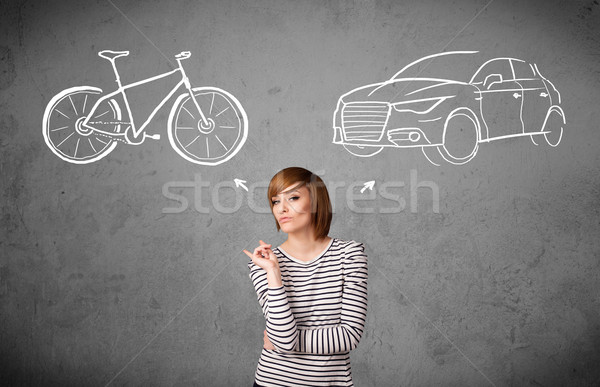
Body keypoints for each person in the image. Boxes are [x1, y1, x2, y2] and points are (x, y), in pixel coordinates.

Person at [242, 167, 369, 387]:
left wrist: (284, 342)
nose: (282, 208)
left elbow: (349, 336)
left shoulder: (350, 254)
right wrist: (273, 272)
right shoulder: (264, 264)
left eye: (293, 197)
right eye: (275, 201)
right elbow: (283, 337)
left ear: (316, 201)